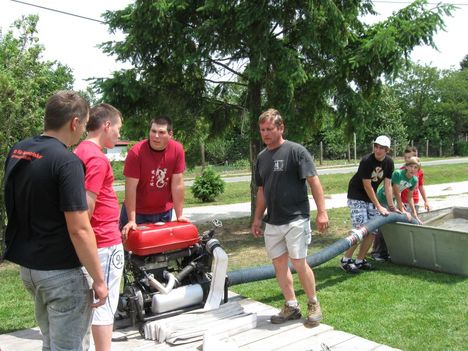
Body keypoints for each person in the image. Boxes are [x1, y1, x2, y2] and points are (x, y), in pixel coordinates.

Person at [3, 91, 108, 351]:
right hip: (60, 274)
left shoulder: (19, 150)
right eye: (84, 125)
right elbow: (80, 229)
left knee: (51, 344)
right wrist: (99, 279)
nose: (83, 131)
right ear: (74, 122)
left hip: (30, 270)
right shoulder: (67, 162)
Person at [251, 108, 329, 327]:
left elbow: (314, 181)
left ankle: (313, 303)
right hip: (273, 221)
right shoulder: (261, 158)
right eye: (262, 130)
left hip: (296, 218)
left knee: (298, 262)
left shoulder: (296, 151)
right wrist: (258, 218)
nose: (265, 134)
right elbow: (262, 190)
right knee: (279, 264)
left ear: (281, 128)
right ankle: (291, 305)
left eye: (269, 129)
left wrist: (322, 212)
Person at [74, 103, 124, 351]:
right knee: (103, 308)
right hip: (103, 243)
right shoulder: (96, 157)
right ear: (106, 125)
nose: (118, 134)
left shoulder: (78, 151)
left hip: (89, 245)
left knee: (89, 307)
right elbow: (85, 207)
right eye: (117, 128)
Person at [120, 116, 188, 239]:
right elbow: (130, 189)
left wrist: (179, 216)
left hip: (164, 212)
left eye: (161, 132)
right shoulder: (136, 152)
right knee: (132, 254)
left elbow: (177, 185)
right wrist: (131, 220)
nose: (156, 136)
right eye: (153, 131)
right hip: (138, 213)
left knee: (160, 254)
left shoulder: (177, 150)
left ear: (170, 134)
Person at [340, 135, 394, 273]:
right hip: (357, 195)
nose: (378, 150)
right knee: (360, 229)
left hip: (370, 197)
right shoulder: (366, 161)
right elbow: (367, 186)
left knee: (373, 230)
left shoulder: (389, 163)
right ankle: (346, 260)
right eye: (376, 146)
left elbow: (388, 185)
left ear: (387, 150)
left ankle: (360, 260)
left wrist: (391, 206)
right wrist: (379, 206)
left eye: (381, 148)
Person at [376, 156, 422, 224]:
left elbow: (410, 197)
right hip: (382, 197)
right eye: (411, 166)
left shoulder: (414, 180)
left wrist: (414, 213)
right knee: (385, 219)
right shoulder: (398, 174)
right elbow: (396, 192)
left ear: (418, 170)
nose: (413, 169)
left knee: (393, 221)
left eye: (415, 167)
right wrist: (402, 210)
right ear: (406, 167)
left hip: (392, 200)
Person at [401, 146, 430, 214]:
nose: (412, 159)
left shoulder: (419, 171)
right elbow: (396, 190)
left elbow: (420, 186)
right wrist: (400, 202)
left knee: (414, 218)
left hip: (415, 201)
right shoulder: (401, 172)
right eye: (409, 157)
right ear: (405, 159)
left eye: (414, 156)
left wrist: (426, 201)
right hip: (404, 202)